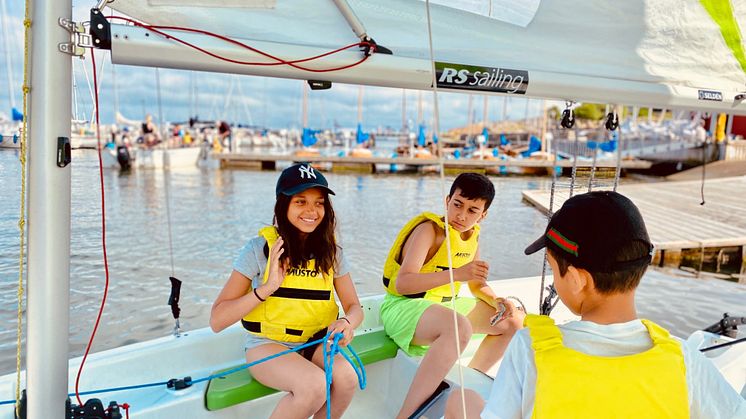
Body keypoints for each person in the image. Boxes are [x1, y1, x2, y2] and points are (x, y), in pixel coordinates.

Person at [445, 191, 746, 419]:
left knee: (462, 402)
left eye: (553, 267)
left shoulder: (530, 349)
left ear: (576, 279)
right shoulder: (682, 358)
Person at [210, 163, 364, 419]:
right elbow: (217, 320)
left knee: (347, 379)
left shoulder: (333, 254)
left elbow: (355, 307)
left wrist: (347, 323)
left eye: (319, 203)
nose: (311, 211)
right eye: (300, 202)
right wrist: (266, 289)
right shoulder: (258, 251)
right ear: (283, 206)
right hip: (268, 345)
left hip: (315, 341)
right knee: (314, 385)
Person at [381, 172, 524, 419]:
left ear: (483, 214)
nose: (462, 215)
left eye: (472, 210)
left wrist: (495, 300)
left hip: (445, 307)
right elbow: (403, 284)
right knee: (459, 327)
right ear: (447, 200)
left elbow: (477, 285)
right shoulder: (429, 231)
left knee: (513, 321)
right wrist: (457, 274)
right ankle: (405, 415)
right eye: (457, 205)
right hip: (404, 307)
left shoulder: (472, 236)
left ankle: (467, 380)